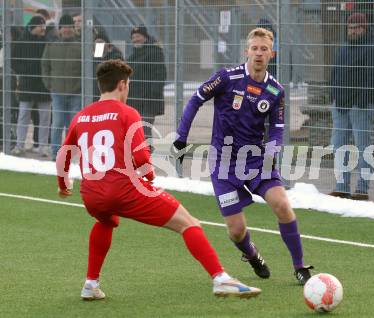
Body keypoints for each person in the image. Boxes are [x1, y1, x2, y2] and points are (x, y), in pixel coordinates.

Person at [55, 59, 260, 300]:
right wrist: (149, 180)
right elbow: (141, 157)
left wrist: (62, 185)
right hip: (124, 189)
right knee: (189, 223)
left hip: (91, 194)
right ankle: (221, 279)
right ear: (122, 84)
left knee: (105, 221)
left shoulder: (81, 117)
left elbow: (64, 155)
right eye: (128, 84)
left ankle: (90, 284)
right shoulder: (127, 113)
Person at [173, 28, 313, 285]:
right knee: (237, 231)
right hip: (223, 165)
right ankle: (251, 254)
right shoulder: (226, 78)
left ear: (273, 54)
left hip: (257, 161)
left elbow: (277, 129)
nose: (259, 54)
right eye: (254, 48)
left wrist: (271, 155)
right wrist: (181, 138)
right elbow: (196, 99)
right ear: (246, 51)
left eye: (264, 50)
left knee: (283, 205)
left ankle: (300, 266)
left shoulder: (275, 90)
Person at [329, 12, 374, 200]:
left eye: (356, 28)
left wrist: (362, 101)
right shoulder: (343, 48)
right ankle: (342, 186)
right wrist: (334, 97)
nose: (352, 31)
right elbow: (335, 73)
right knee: (338, 147)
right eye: (350, 28)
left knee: (363, 147)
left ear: (364, 28)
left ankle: (362, 188)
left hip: (359, 106)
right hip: (340, 105)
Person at [42, 14, 82, 160]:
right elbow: (45, 65)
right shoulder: (51, 45)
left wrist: (81, 86)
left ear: (73, 28)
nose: (66, 30)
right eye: (64, 27)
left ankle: (70, 154)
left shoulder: (80, 44)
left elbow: (87, 66)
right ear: (59, 29)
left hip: (76, 92)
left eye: (69, 27)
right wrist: (49, 84)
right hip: (57, 92)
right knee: (58, 123)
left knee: (73, 126)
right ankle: (55, 153)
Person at [10, 15, 51, 157]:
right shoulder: (21, 42)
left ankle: (43, 147)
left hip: (43, 85)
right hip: (27, 84)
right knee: (24, 115)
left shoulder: (46, 41)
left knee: (45, 117)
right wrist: (25, 71)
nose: (43, 28)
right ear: (34, 26)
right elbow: (14, 62)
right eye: (41, 25)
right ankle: (20, 145)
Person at [127, 25, 166, 142]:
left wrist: (154, 93)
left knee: (144, 129)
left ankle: (145, 154)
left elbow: (160, 73)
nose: (135, 39)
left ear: (145, 37)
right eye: (133, 37)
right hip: (134, 99)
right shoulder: (133, 55)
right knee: (134, 130)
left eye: (138, 36)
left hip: (149, 99)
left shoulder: (154, 52)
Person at [93, 30, 123, 99]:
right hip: (96, 95)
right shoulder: (93, 59)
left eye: (100, 42)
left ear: (108, 45)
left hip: (110, 94)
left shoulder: (115, 57)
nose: (98, 45)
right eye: (96, 43)